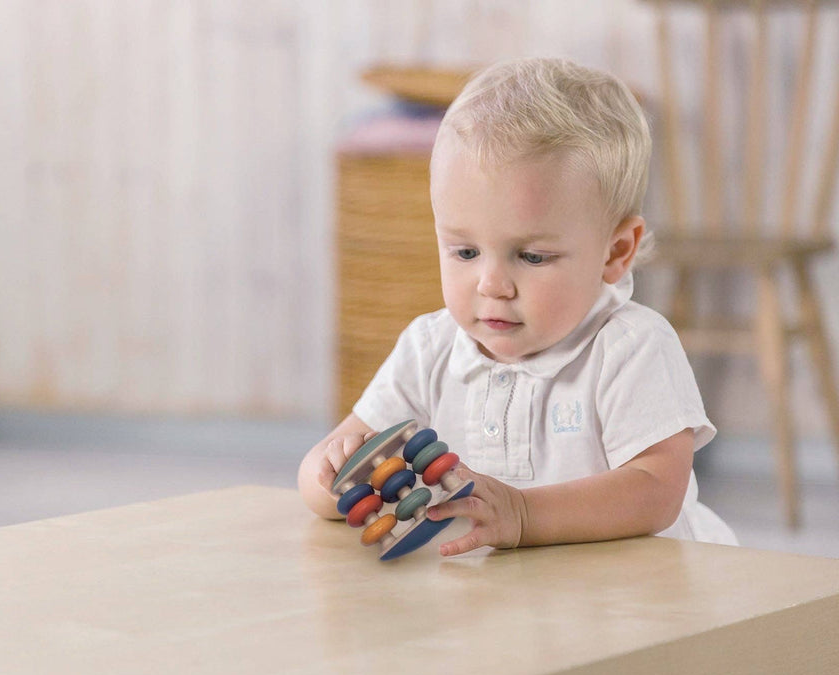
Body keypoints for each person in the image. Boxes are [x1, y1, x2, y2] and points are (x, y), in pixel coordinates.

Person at [297, 57, 737, 556]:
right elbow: (320, 485)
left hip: (638, 599)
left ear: (615, 252)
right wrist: (331, 472)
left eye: (531, 256)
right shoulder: (430, 348)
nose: (492, 285)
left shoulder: (629, 346)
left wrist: (525, 515)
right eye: (465, 251)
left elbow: (657, 491)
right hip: (505, 607)